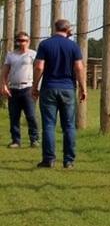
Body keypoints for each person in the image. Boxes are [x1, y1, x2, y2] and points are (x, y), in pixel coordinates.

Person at [32, 19, 87, 169]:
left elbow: (39, 66)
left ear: (54, 28)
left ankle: (48, 159)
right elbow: (79, 68)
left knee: (49, 125)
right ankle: (68, 161)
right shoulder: (73, 46)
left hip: (49, 87)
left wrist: (34, 85)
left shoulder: (45, 44)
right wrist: (83, 88)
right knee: (69, 126)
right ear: (68, 30)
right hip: (68, 88)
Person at [3, 31, 39, 149]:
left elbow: (39, 70)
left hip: (27, 88)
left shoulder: (33, 55)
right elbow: (4, 71)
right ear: (17, 42)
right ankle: (15, 140)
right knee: (14, 116)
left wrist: (36, 87)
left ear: (28, 42)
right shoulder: (11, 55)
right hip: (13, 88)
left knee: (31, 115)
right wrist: (3, 85)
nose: (22, 43)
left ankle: (34, 139)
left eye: (25, 41)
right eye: (20, 41)